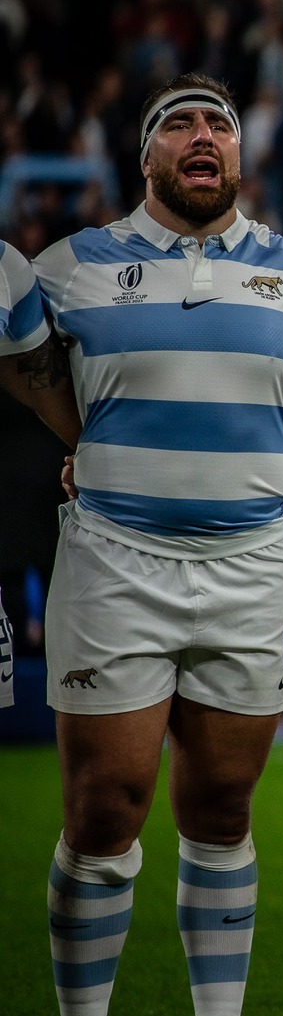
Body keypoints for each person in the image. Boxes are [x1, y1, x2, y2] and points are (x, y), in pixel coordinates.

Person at [32, 74, 283, 1016]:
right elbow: (26, 372)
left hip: (249, 563)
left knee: (220, 807)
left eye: (217, 124)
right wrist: (91, 448)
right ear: (147, 158)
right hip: (115, 563)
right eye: (179, 125)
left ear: (239, 158)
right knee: (105, 805)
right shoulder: (70, 267)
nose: (201, 136)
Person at [1, 236, 83, 710]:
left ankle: (62, 695)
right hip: (17, 501)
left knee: (64, 599)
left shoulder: (58, 357)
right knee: (17, 591)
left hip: (52, 494)